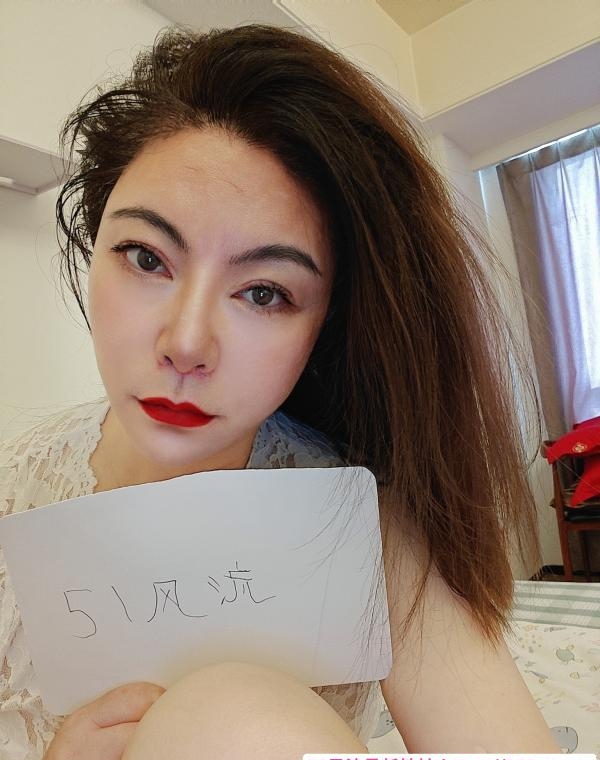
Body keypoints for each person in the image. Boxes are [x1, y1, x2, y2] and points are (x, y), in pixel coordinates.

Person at [0, 23, 560, 760]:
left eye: (264, 293)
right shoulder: (15, 489)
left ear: (326, 325)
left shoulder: (361, 520)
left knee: (231, 715)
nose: (187, 344)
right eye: (145, 257)